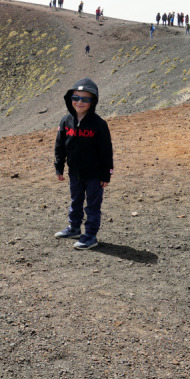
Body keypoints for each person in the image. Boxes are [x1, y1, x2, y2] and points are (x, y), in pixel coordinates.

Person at [54, 78, 113, 250]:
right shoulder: (66, 121)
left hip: (94, 175)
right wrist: (59, 166)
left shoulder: (99, 124)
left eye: (85, 99)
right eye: (76, 98)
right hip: (75, 173)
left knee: (93, 206)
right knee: (76, 201)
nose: (79, 102)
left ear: (93, 101)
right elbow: (60, 146)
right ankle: (74, 228)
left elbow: (106, 151)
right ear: (70, 98)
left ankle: (90, 236)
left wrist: (106, 174)